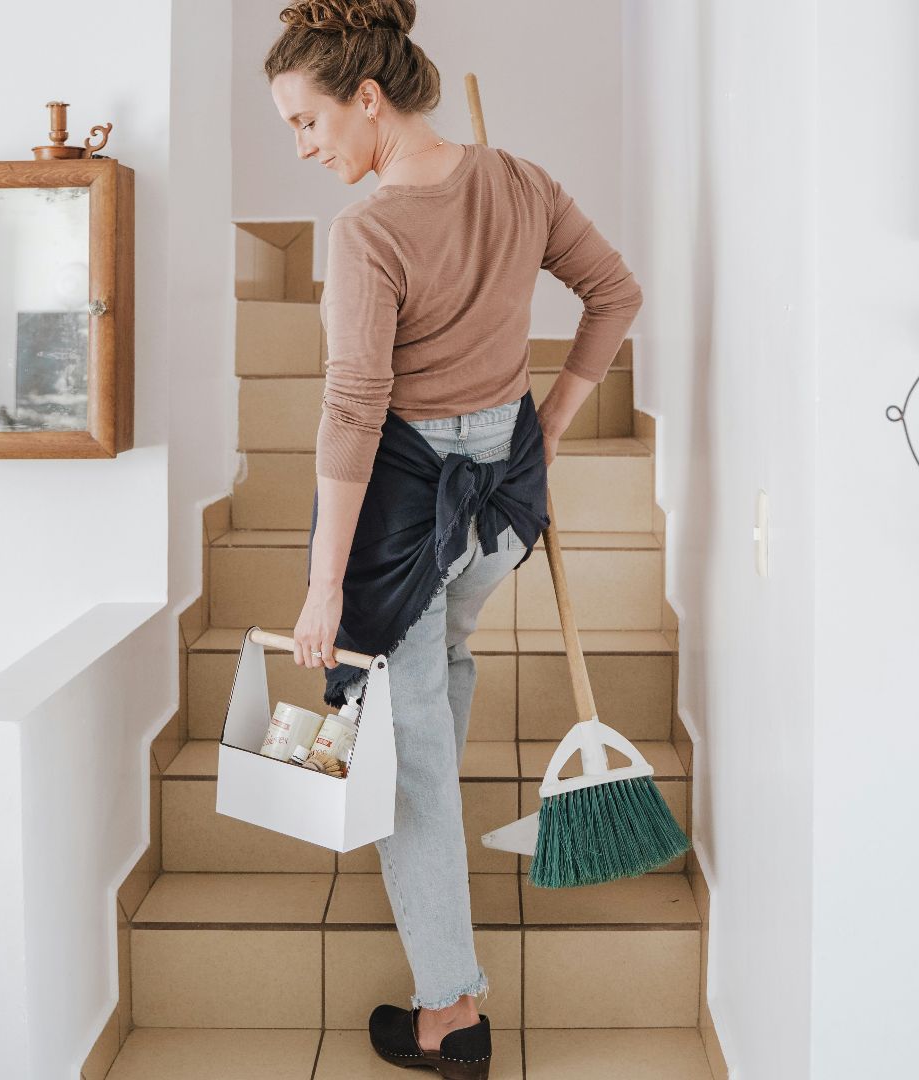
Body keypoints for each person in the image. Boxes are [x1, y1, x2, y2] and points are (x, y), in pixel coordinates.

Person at [264, 1, 643, 1075]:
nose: (304, 147)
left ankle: (450, 1014)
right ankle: (432, 839)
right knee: (438, 679)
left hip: (406, 517)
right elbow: (615, 293)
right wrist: (547, 425)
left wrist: (323, 586)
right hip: (502, 504)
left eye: (306, 121)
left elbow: (354, 410)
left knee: (409, 756)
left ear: (366, 97)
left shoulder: (369, 232)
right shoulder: (519, 180)